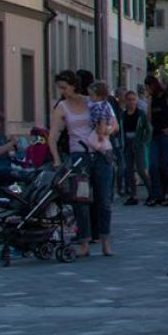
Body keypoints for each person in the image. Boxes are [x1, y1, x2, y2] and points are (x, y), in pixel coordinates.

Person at [52, 73, 115, 257]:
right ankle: (84, 243)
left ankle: (105, 241)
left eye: (64, 87)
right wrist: (56, 158)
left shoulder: (94, 100)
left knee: (104, 199)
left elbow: (114, 124)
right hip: (79, 155)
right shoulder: (62, 106)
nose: (62, 91)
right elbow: (53, 134)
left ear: (74, 85)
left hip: (101, 153)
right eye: (59, 88)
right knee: (81, 200)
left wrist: (105, 132)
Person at [145, 77, 168, 206]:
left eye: (148, 87)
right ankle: (157, 194)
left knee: (167, 165)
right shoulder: (152, 100)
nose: (147, 90)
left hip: (167, 134)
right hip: (156, 135)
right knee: (153, 165)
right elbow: (149, 117)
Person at [117, 88, 149, 206]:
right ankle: (133, 195)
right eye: (129, 100)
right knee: (128, 170)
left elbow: (148, 129)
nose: (131, 102)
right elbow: (120, 129)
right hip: (127, 142)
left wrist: (143, 141)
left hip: (138, 143)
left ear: (136, 101)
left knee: (141, 169)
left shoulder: (141, 114)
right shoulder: (123, 115)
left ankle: (151, 191)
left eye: (133, 100)